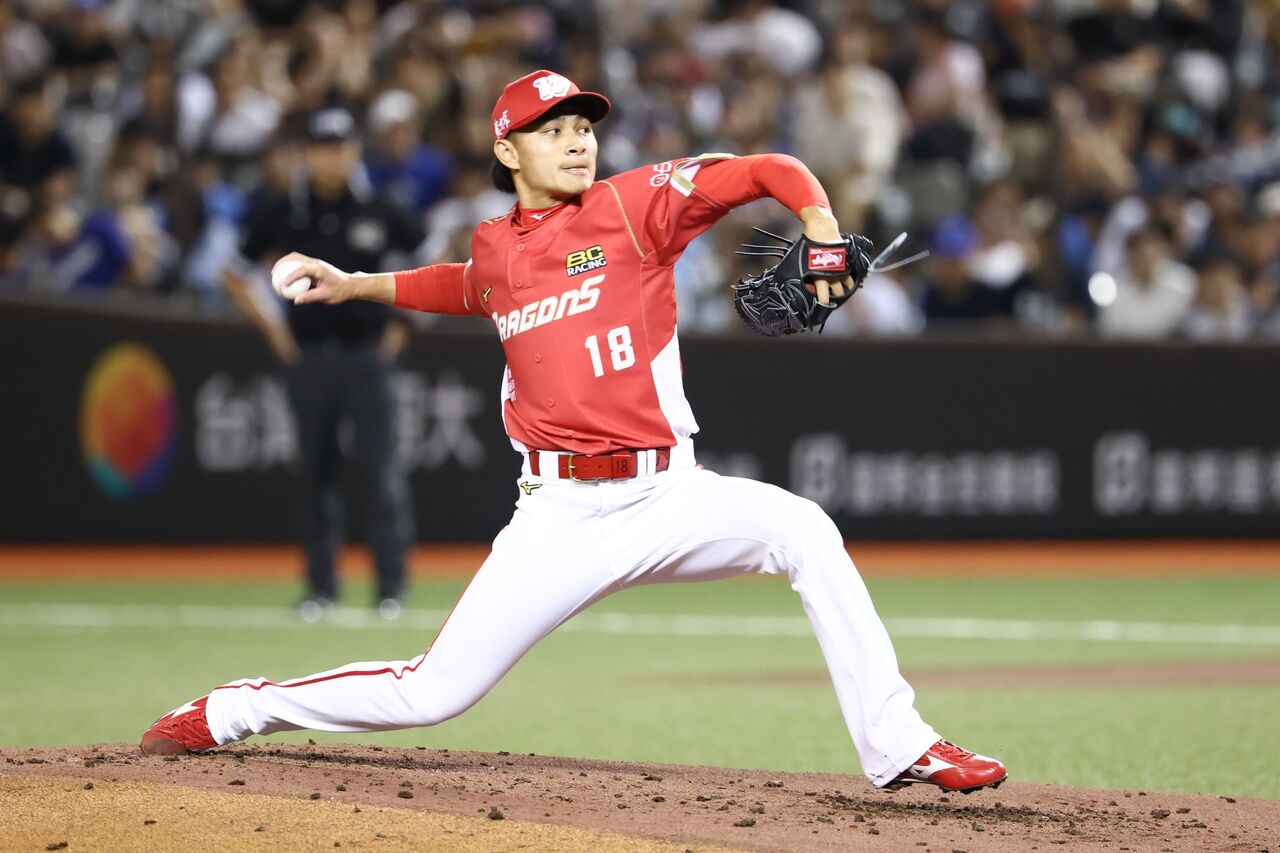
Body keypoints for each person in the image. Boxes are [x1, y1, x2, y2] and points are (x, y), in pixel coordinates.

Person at [141, 70, 1007, 795]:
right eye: (552, 129)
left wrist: (819, 226)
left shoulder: (635, 206)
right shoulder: (496, 249)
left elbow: (766, 168)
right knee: (431, 693)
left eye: (584, 126)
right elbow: (467, 285)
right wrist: (357, 283)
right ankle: (235, 709)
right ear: (507, 151)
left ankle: (900, 744)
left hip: (669, 492)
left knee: (805, 529)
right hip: (559, 513)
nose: (577, 141)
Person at [223, 106, 420, 622]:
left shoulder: (379, 208)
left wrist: (401, 327)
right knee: (315, 474)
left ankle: (391, 587)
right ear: (306, 154)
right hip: (310, 358)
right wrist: (275, 331)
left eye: (341, 147)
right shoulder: (284, 212)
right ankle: (321, 587)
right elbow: (234, 270)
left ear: (354, 151)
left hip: (367, 356)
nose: (333, 157)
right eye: (323, 148)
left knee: (381, 471)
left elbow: (426, 262)